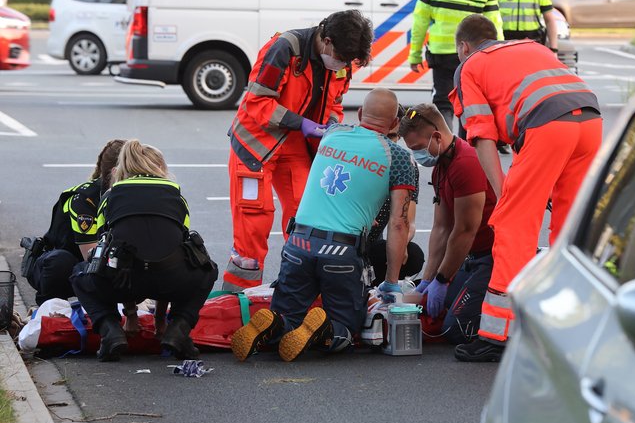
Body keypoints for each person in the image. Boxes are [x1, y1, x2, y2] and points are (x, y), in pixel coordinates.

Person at [449, 15, 602, 362]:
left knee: (512, 224)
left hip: (547, 126)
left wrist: (504, 195)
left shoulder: (470, 66)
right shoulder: (529, 46)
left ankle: (498, 335)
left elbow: (482, 135)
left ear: (464, 47)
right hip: (590, 120)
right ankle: (571, 324)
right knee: (569, 228)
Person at [230, 89, 417, 362]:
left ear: (361, 114)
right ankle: (328, 329)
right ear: (394, 124)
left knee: (290, 315)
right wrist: (390, 282)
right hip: (342, 252)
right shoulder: (398, 157)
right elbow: (399, 224)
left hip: (298, 244)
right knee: (346, 329)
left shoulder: (333, 134)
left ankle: (278, 324)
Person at [223, 9, 375, 292]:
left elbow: (334, 104)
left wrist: (329, 125)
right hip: (255, 147)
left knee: (306, 220)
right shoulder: (284, 50)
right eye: (341, 58)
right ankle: (236, 303)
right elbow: (258, 104)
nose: (342, 65)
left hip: (296, 146)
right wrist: (302, 123)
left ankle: (296, 296)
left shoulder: (343, 60)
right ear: (326, 41)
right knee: (252, 229)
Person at [70, 141, 218, 362]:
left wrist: (131, 314)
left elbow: (108, 250)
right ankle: (178, 329)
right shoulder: (176, 196)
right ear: (160, 166)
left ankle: (110, 331)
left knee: (79, 275)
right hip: (171, 279)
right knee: (208, 270)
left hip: (123, 280)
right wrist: (161, 321)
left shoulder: (109, 197)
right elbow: (175, 247)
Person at [398, 103, 498, 346]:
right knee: (433, 308)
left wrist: (442, 280)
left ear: (436, 136)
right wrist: (428, 280)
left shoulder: (466, 164)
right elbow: (441, 228)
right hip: (473, 256)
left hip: (494, 256)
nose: (417, 155)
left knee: (455, 330)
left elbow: (465, 230)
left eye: (419, 148)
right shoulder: (441, 166)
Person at [407, 0, 503, 129]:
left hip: (441, 55)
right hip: (472, 57)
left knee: (443, 102)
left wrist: (415, 54)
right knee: (468, 103)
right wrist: (497, 60)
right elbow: (494, 27)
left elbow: (419, 23)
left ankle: (446, 146)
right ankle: (465, 149)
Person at [23, 139, 125, 304]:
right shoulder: (85, 198)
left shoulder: (130, 196)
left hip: (98, 262)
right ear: (116, 172)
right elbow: (91, 257)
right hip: (62, 265)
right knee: (62, 261)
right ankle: (47, 311)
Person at [358, 89, 424, 284]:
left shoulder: (404, 164)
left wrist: (402, 241)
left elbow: (407, 222)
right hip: (343, 239)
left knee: (413, 256)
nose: (385, 141)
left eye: (392, 137)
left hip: (371, 244)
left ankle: (378, 289)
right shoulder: (354, 154)